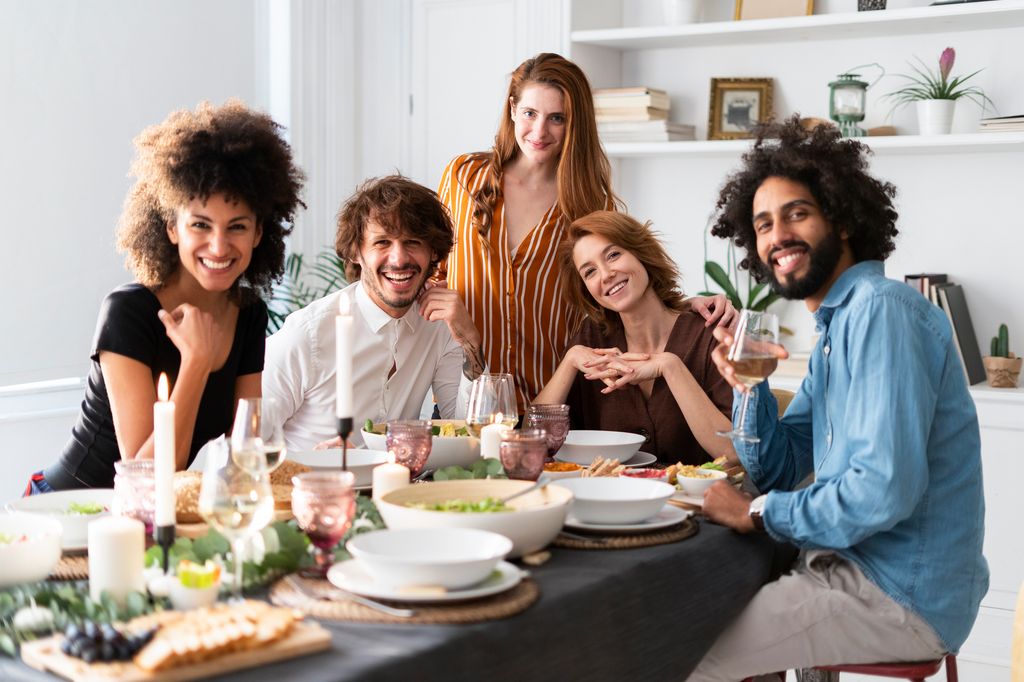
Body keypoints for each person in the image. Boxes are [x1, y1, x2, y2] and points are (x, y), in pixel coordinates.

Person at [688, 117, 988, 680]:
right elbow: (780, 466)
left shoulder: (880, 310)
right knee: (699, 615)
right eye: (763, 225)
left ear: (843, 220)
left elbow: (881, 492)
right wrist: (749, 387)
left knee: (683, 653)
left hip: (896, 591)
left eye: (796, 213)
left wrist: (754, 514)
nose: (777, 235)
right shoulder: (837, 328)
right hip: (853, 571)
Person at [30, 100, 304, 493]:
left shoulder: (248, 313)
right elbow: (146, 474)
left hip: (167, 512)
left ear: (259, 234)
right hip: (76, 509)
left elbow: (245, 445)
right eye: (200, 225)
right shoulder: (128, 312)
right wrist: (195, 362)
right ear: (172, 228)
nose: (219, 245)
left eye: (237, 226)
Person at [438, 52, 732, 413]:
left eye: (557, 118)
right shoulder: (463, 177)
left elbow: (610, 296)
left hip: (550, 401)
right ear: (513, 108)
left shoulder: (590, 203)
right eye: (530, 113)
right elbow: (432, 276)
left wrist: (682, 309)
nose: (540, 131)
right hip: (465, 399)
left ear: (574, 123)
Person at [263, 175, 483, 451]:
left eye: (413, 242)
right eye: (382, 243)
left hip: (396, 490)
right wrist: (309, 465)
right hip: (309, 487)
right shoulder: (307, 334)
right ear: (356, 252)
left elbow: (465, 430)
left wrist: (470, 343)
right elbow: (244, 445)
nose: (399, 259)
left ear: (434, 252)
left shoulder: (439, 325)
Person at [533, 211, 733, 464]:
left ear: (641, 253)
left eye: (613, 255)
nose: (606, 274)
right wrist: (570, 360)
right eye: (590, 272)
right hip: (611, 498)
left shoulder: (709, 334)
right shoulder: (591, 338)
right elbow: (534, 441)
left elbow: (732, 453)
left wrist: (671, 367)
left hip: (693, 501)